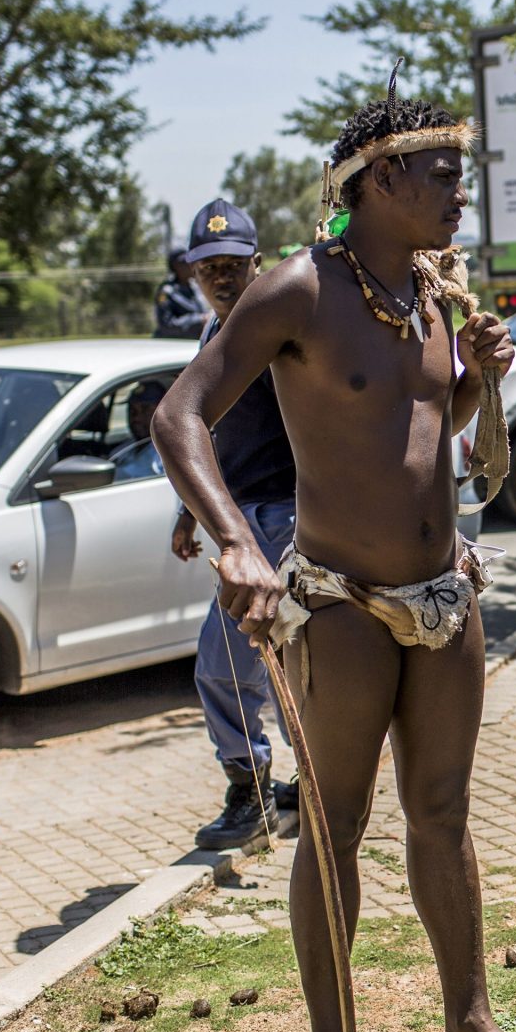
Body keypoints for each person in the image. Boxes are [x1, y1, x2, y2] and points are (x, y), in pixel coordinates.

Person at [153, 93, 516, 1032]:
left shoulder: (429, 292)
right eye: (440, 172)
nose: (459, 191)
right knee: (334, 830)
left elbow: (430, 423)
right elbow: (180, 414)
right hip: (338, 606)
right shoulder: (297, 288)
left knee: (445, 816)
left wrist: (481, 379)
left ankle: (469, 1022)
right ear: (378, 181)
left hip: (444, 596)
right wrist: (235, 542)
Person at [169, 199, 302, 850]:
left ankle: (276, 794)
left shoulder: (282, 327)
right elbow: (207, 431)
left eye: (231, 264)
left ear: (258, 261)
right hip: (239, 522)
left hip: (288, 518)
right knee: (243, 667)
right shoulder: (212, 332)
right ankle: (267, 789)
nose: (219, 277)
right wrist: (188, 512)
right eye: (206, 267)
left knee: (241, 666)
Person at [108, 377, 169, 481]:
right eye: (132, 410)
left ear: (162, 413)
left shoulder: (166, 454)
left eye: (145, 410)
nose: (136, 417)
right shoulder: (122, 450)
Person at [153, 244, 210, 339]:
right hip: (171, 347)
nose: (191, 265)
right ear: (176, 266)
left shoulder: (196, 289)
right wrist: (199, 320)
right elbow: (166, 325)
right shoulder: (166, 292)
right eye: (186, 262)